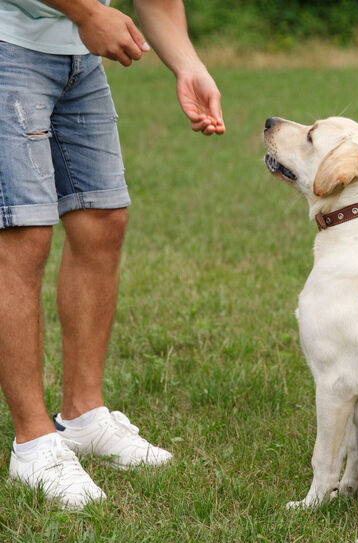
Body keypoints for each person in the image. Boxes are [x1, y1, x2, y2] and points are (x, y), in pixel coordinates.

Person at [0, 0, 225, 509]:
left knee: (102, 218)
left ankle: (82, 414)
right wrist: (85, 11)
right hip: (8, 46)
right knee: (22, 233)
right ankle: (34, 443)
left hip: (79, 58)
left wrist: (189, 64)